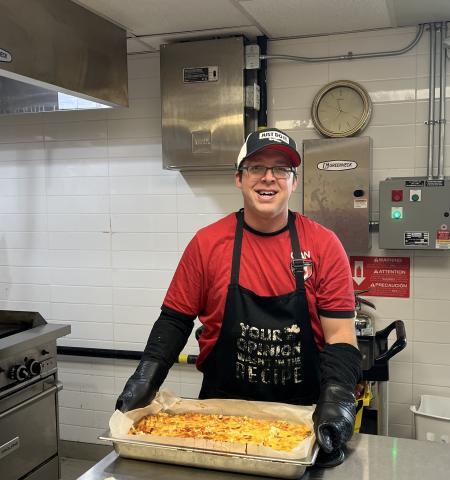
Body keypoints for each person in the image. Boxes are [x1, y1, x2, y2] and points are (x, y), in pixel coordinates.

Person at [116, 127, 362, 463]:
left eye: (281, 169)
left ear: (294, 182)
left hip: (303, 418)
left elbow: (341, 335)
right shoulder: (207, 244)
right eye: (257, 167)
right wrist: (146, 376)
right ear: (239, 178)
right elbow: (175, 320)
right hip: (218, 416)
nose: (268, 178)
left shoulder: (324, 245)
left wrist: (338, 397)